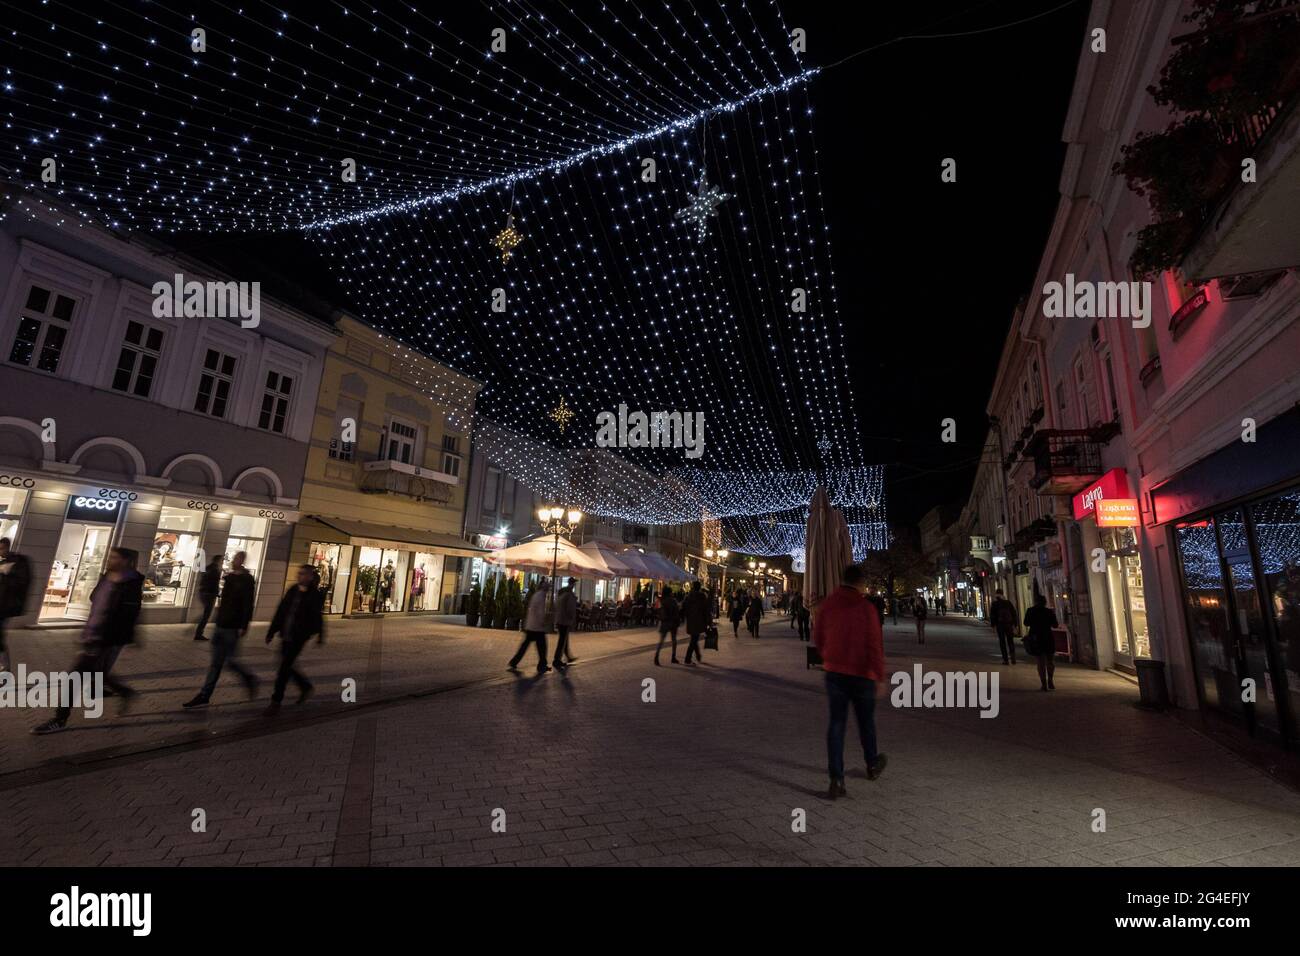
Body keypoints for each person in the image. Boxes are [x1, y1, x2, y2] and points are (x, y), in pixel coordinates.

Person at [32, 547, 143, 734]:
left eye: (115, 558)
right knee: (96, 673)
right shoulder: (107, 577)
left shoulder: (130, 584)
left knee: (75, 676)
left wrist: (112, 636)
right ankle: (125, 692)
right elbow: (95, 600)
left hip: (105, 637)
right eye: (110, 557)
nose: (110, 560)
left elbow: (129, 614)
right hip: (93, 635)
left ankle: (60, 719)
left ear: (125, 561)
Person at [813, 564, 887, 797]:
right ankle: (872, 764)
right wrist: (880, 675)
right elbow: (875, 645)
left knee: (837, 723)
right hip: (862, 674)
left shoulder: (827, 606)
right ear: (860, 583)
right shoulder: (866, 608)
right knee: (866, 722)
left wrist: (829, 658)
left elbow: (818, 638)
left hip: (835, 673)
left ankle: (836, 779)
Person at [184, 551, 260, 707]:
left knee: (230, 661)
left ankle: (249, 678)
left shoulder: (246, 580)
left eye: (237, 559)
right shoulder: (230, 577)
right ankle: (205, 695)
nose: (234, 561)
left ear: (242, 561)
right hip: (220, 624)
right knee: (215, 663)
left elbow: (247, 604)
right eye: (233, 558)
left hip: (232, 626)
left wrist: (244, 625)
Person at [263, 565, 325, 715]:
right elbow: (281, 610)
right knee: (286, 664)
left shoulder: (314, 595)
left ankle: (276, 701)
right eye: (299, 574)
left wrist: (319, 635)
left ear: (310, 577)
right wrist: (272, 631)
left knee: (284, 667)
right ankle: (305, 687)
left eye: (303, 574)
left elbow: (318, 616)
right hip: (286, 633)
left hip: (299, 636)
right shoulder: (292, 590)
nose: (300, 576)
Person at [0, 536, 32, 673]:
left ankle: (5, 669)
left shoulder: (18, 562)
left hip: (4, 607)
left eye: (1, 548)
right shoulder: (4, 562)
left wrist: (7, 573)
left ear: (7, 547)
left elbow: (22, 583)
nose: (0, 551)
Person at [509, 581, 551, 674]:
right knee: (542, 647)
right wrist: (543, 622)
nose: (549, 590)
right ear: (545, 588)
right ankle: (542, 666)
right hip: (537, 627)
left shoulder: (536, 594)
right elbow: (540, 611)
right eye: (548, 588)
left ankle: (514, 662)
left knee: (525, 646)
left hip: (531, 625)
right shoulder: (541, 596)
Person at [1024, 594, 1058, 691]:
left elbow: (1026, 623)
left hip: (1036, 638)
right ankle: (1050, 680)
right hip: (1048, 637)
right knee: (1050, 660)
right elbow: (1055, 625)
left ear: (1035, 601)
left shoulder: (1030, 611)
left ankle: (1043, 684)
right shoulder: (1049, 612)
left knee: (1040, 661)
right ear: (1045, 602)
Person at [192, 553, 223, 642]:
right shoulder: (215, 570)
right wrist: (217, 593)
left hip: (203, 592)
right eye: (221, 560)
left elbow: (203, 580)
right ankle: (199, 633)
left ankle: (199, 631)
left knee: (206, 613)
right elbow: (215, 583)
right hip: (210, 593)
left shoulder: (207, 567)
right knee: (206, 614)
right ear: (218, 561)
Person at [681, 580, 711, 665]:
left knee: (694, 638)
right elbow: (706, 610)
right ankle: (688, 659)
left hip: (690, 620)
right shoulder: (702, 596)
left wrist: (686, 616)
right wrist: (708, 620)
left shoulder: (688, 596)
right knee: (694, 639)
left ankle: (698, 656)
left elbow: (683, 607)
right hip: (699, 620)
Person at [553, 577, 578, 669]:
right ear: (572, 584)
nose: (574, 585)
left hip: (560, 619)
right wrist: (572, 619)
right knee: (562, 641)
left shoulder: (562, 592)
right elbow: (570, 609)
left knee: (564, 640)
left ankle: (568, 656)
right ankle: (556, 660)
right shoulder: (569, 594)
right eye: (574, 584)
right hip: (565, 620)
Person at [989, 589, 1019, 665]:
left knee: (1002, 642)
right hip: (1009, 624)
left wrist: (993, 626)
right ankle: (1013, 658)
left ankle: (1005, 660)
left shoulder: (995, 604)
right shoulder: (1008, 603)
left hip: (1000, 625)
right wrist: (1015, 625)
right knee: (1010, 641)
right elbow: (1014, 613)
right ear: (1002, 594)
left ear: (996, 595)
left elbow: (993, 615)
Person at [655, 587, 681, 665]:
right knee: (674, 640)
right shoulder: (673, 600)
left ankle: (657, 656)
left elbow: (657, 610)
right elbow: (676, 611)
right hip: (672, 622)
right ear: (670, 593)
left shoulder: (662, 600)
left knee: (661, 641)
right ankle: (673, 656)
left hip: (664, 622)